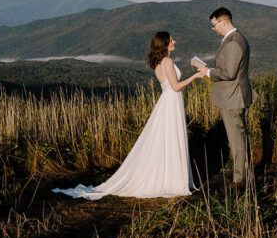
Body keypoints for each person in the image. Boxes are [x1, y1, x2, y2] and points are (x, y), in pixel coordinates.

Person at [53, 32, 200, 200]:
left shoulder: (159, 63)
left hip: (166, 102)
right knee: (171, 138)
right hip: (171, 101)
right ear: (165, 44)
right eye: (171, 40)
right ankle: (172, 179)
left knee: (166, 139)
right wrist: (195, 76)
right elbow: (175, 87)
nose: (175, 41)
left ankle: (169, 176)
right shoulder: (167, 61)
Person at [196, 6, 254, 188]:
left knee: (237, 139)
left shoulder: (234, 42)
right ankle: (247, 176)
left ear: (223, 21)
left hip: (232, 97)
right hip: (235, 95)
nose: (213, 29)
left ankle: (239, 180)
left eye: (214, 25)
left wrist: (208, 72)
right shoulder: (234, 39)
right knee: (240, 137)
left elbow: (229, 73)